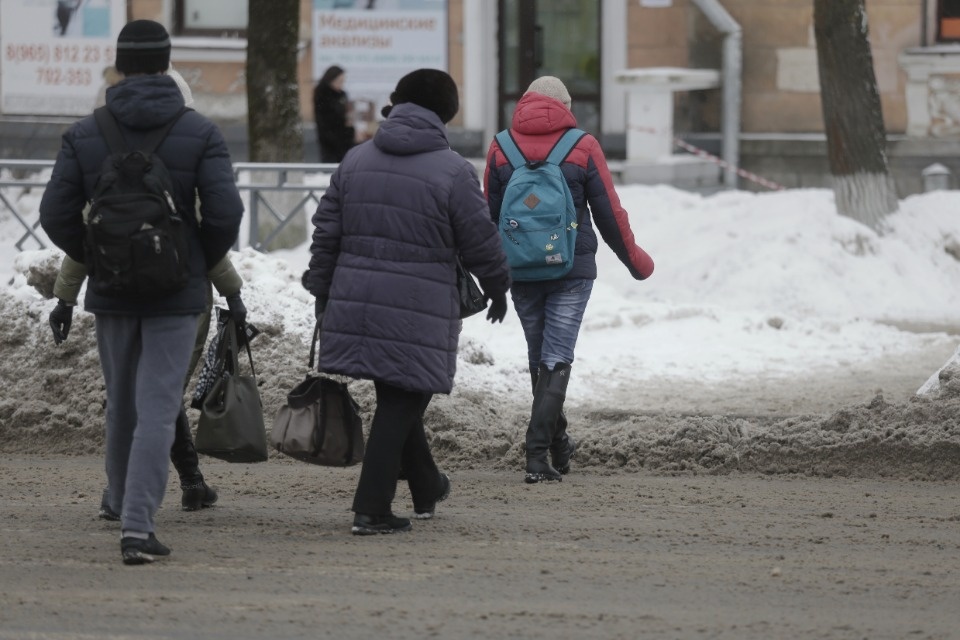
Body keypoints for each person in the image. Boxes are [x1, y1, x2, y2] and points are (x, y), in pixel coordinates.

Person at [39, 19, 244, 564]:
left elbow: (54, 215)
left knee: (123, 406)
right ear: (166, 62)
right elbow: (226, 215)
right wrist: (193, 259)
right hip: (177, 294)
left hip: (110, 291)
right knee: (157, 405)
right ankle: (137, 527)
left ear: (121, 64)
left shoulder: (86, 133)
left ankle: (116, 499)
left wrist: (96, 253)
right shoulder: (200, 132)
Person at [303, 68, 511, 535]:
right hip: (418, 306)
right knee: (403, 399)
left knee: (400, 392)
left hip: (356, 299)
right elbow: (480, 239)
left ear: (397, 104)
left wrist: (322, 291)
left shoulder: (354, 161)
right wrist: (498, 285)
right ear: (446, 113)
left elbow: (326, 235)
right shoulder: (453, 170)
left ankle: (426, 484)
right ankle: (371, 508)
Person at [483, 75, 655, 484]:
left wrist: (488, 269)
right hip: (571, 269)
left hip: (520, 269)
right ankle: (537, 452)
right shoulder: (583, 146)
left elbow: (487, 216)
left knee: (538, 354)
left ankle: (557, 445)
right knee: (556, 355)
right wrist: (636, 261)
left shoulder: (500, 146)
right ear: (565, 105)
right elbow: (610, 213)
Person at [313, 65, 357, 163]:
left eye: (343, 81)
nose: (341, 84)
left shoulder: (342, 94)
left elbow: (346, 112)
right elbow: (324, 119)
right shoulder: (322, 93)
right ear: (331, 80)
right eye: (339, 81)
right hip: (329, 139)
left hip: (345, 137)